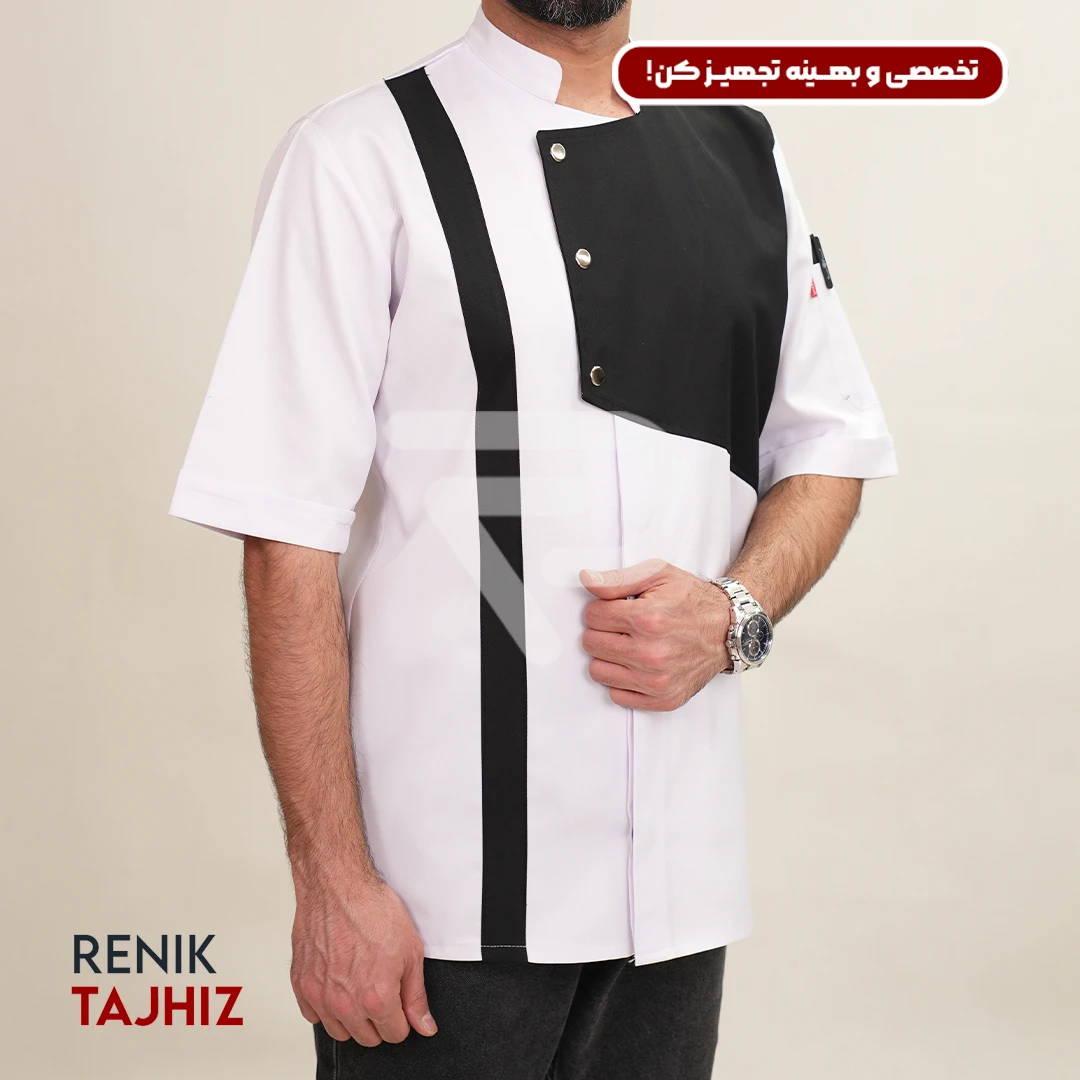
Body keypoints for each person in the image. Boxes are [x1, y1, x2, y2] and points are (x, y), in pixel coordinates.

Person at [168, 1, 898, 1076]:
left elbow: (830, 443)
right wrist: (331, 884)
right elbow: (285, 536)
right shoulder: (358, 156)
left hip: (677, 892)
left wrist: (731, 614)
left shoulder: (741, 154)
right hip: (436, 908)